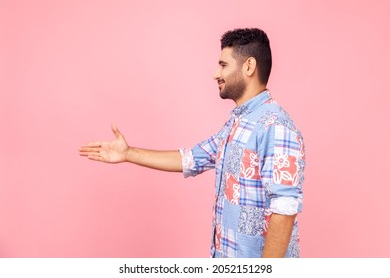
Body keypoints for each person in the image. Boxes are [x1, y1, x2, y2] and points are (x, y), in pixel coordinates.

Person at [79, 28, 305, 258]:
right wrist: (128, 153)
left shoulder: (274, 125)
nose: (216, 74)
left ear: (248, 66)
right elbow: (192, 158)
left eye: (223, 65)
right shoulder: (237, 124)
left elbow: (284, 208)